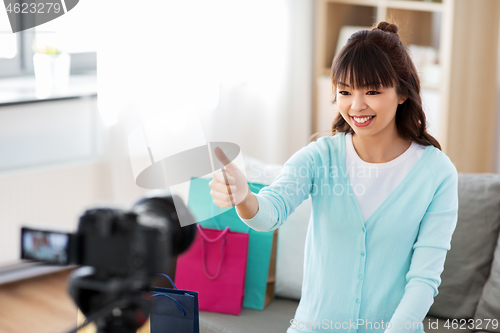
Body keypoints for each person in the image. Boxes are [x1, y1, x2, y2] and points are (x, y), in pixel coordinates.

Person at [209, 21, 459, 333]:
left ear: (402, 93)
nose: (356, 105)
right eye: (345, 91)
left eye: (372, 91)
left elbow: (424, 279)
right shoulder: (319, 158)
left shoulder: (437, 174)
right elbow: (269, 214)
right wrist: (244, 197)